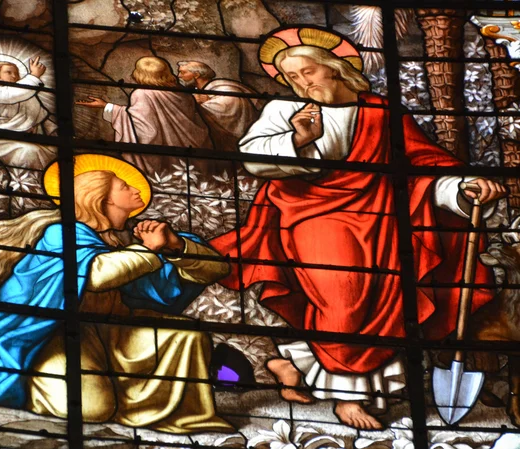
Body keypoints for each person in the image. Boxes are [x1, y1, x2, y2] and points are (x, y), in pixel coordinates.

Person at [210, 27, 508, 430]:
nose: (302, 82)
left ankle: (300, 365)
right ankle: (346, 396)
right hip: (311, 216)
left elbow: (422, 167)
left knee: (387, 302)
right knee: (344, 298)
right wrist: (299, 139)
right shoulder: (285, 110)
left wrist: (462, 187)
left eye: (308, 72)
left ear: (334, 68)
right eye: (293, 77)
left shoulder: (382, 113)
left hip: (382, 219)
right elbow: (254, 158)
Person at [0, 155, 233, 434]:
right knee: (91, 408)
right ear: (99, 197)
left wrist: (175, 245)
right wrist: (149, 249)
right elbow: (98, 275)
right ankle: (30, 385)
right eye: (125, 185)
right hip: (50, 336)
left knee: (185, 334)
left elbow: (216, 270)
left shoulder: (120, 242)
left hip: (112, 332)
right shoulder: (61, 233)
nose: (138, 190)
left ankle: (176, 417)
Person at [76, 57, 213, 174]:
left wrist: (106, 107)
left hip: (162, 163)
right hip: (190, 156)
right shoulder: (182, 93)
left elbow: (145, 131)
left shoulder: (142, 94)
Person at [0, 57, 57, 169]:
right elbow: (14, 94)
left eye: (16, 73)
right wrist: (34, 76)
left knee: (51, 151)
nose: (14, 76)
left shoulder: (27, 96)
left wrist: (53, 130)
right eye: (8, 72)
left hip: (24, 136)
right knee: (30, 151)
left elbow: (39, 114)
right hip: (0, 137)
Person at [177, 60, 262, 153]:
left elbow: (225, 111)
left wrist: (201, 103)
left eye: (183, 72)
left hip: (239, 146)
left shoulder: (226, 89)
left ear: (196, 75)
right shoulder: (200, 90)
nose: (179, 76)